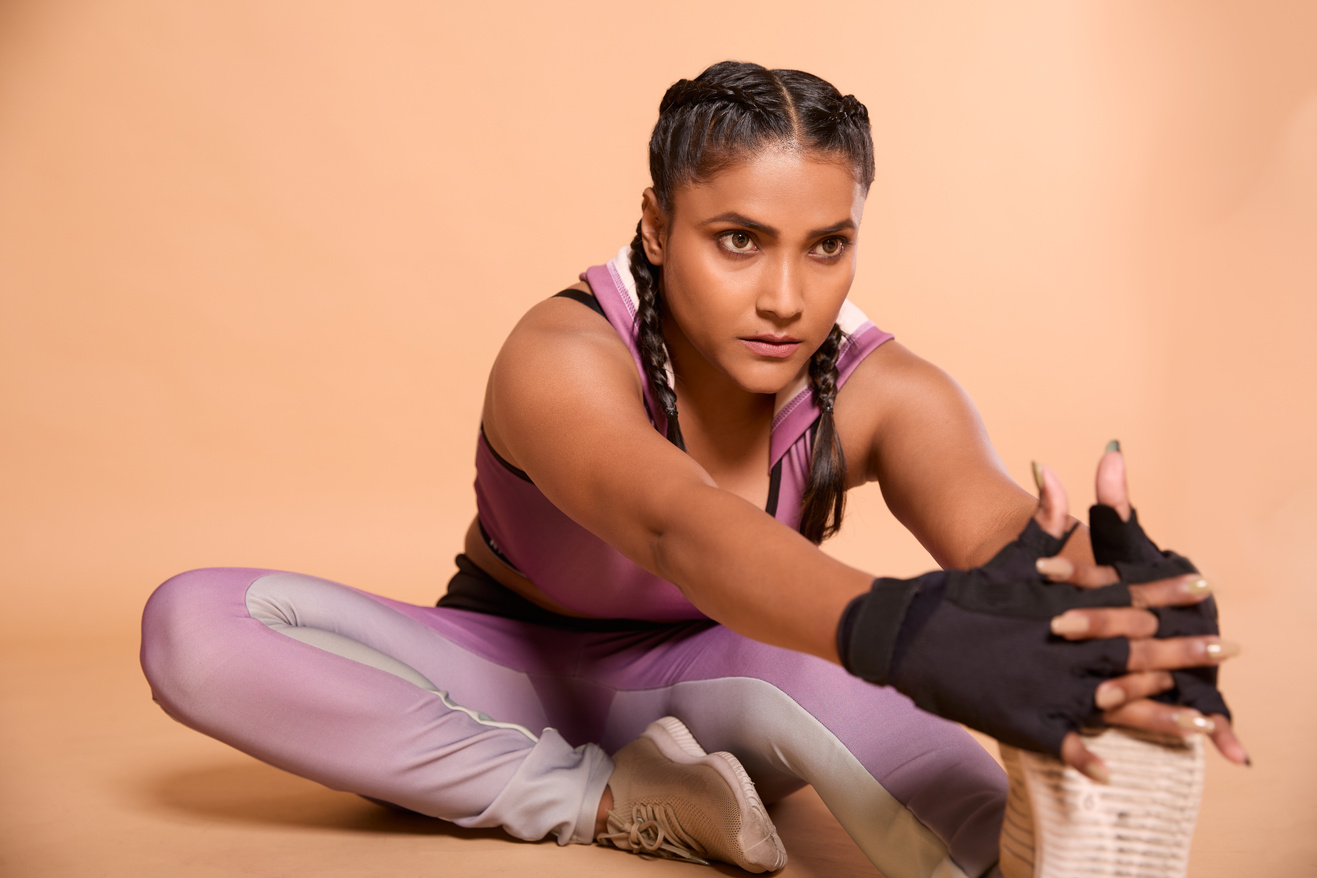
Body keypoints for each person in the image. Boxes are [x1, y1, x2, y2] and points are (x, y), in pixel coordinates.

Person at [140, 61, 1246, 878]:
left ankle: (1036, 855)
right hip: (509, 674)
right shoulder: (562, 355)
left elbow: (993, 519)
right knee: (195, 622)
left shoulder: (883, 388)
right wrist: (918, 630)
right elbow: (676, 526)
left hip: (734, 681)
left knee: (917, 753)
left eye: (826, 244)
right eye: (737, 239)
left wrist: (1093, 596)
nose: (785, 296)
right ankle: (608, 799)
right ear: (657, 228)